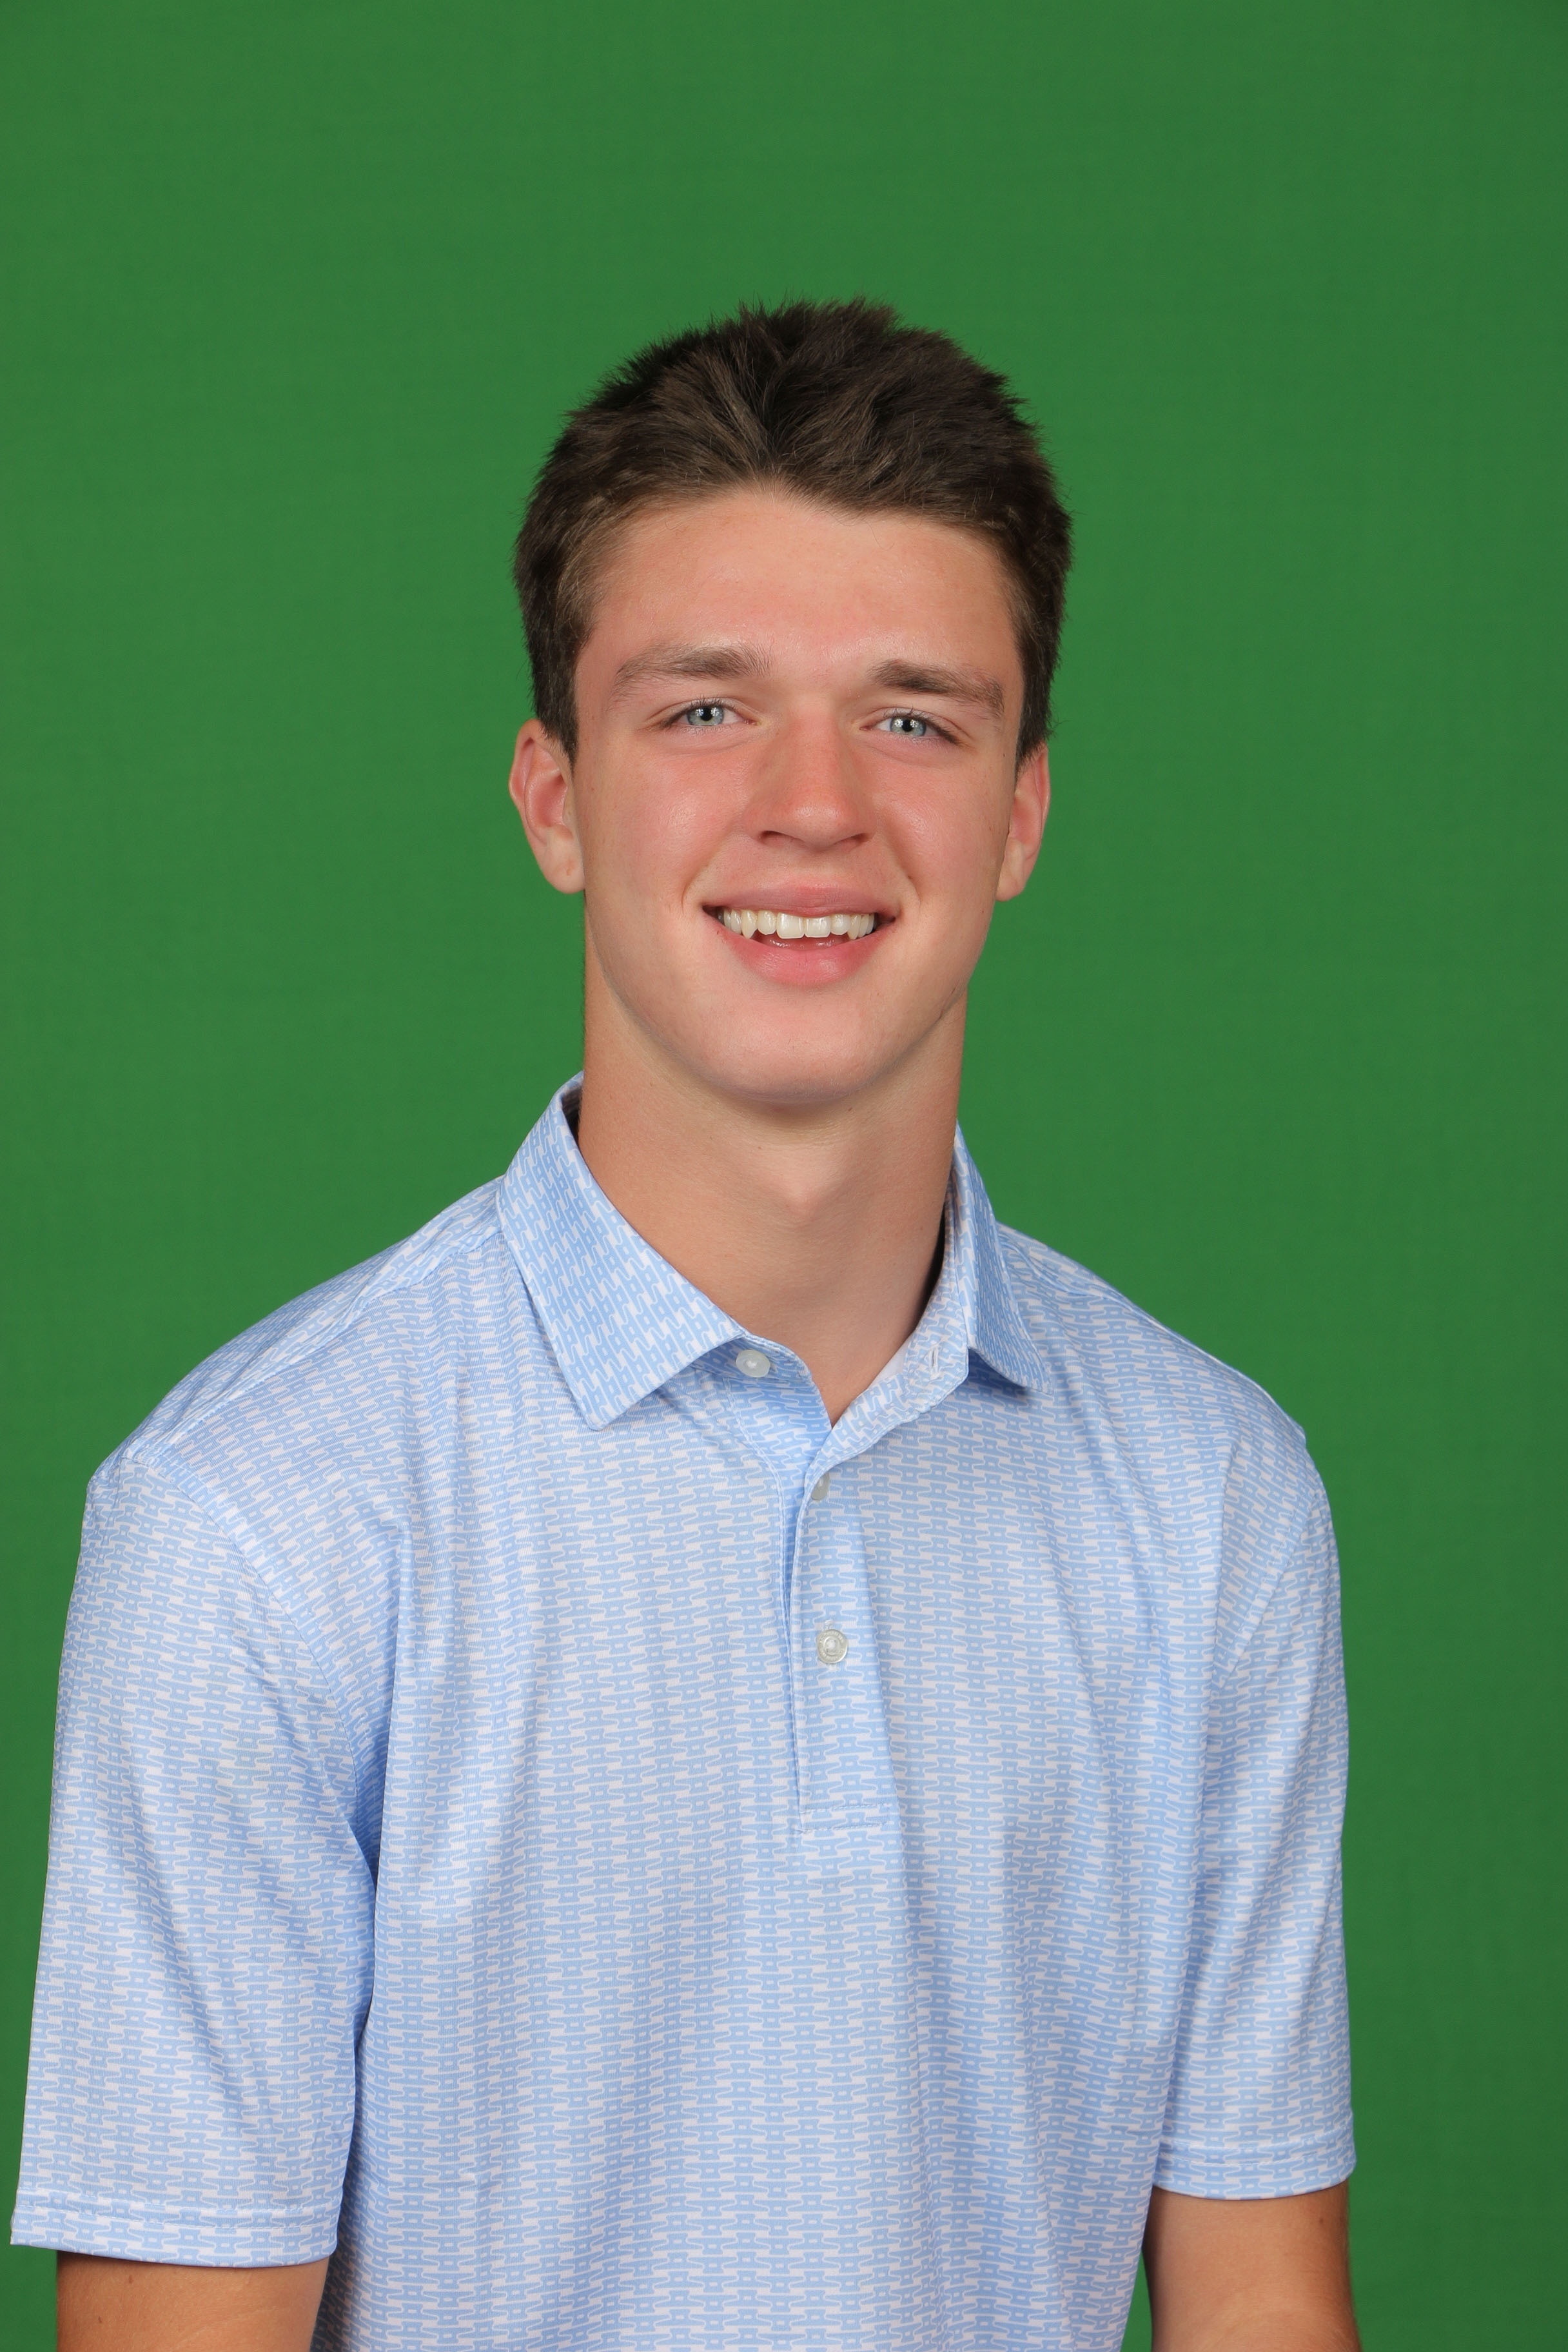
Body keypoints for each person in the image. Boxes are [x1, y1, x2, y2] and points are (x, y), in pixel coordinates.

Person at [15, 300, 1360, 2351]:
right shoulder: (250, 1525)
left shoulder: (1215, 1498)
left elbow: (1264, 2308)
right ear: (554, 797)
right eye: (707, 708)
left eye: (914, 719)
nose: (814, 804)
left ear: (1021, 814)